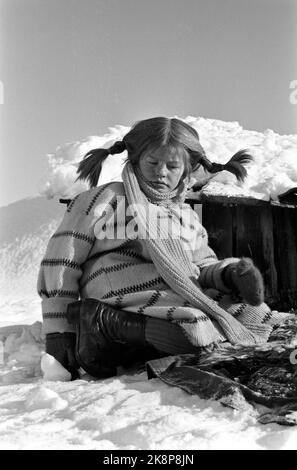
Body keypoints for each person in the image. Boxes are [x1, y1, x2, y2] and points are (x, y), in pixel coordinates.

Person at [37, 117, 287, 380]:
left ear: (186, 171)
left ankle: (111, 333)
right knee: (197, 330)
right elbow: (62, 261)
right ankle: (104, 322)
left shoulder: (185, 215)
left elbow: (199, 268)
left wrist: (229, 275)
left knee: (252, 316)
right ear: (135, 162)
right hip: (120, 293)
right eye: (152, 163)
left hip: (169, 297)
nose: (161, 172)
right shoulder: (108, 198)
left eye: (172, 166)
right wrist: (58, 332)